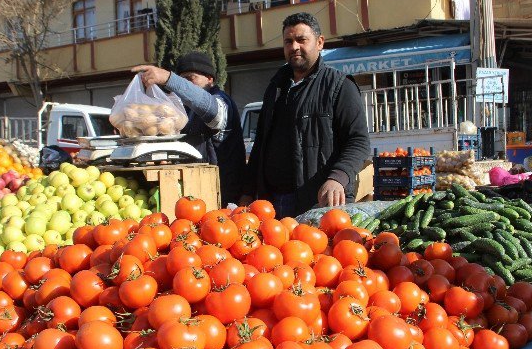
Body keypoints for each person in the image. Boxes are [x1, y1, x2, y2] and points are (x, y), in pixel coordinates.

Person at [239, 12, 370, 218]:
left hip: (319, 201)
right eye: (288, 41)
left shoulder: (340, 86)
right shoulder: (275, 88)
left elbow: (358, 141)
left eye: (301, 40)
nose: (294, 47)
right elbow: (260, 145)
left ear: (319, 43)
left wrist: (338, 178)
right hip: (272, 202)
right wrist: (247, 193)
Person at [131, 52, 246, 206]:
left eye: (191, 79)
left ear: (210, 79)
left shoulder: (221, 101)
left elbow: (212, 110)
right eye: (182, 79)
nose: (185, 86)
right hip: (192, 198)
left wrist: (169, 79)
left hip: (222, 198)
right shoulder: (181, 111)